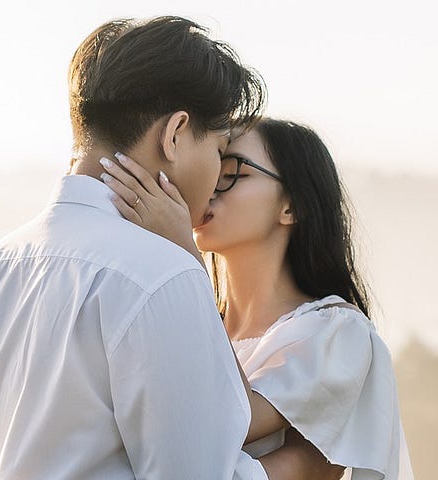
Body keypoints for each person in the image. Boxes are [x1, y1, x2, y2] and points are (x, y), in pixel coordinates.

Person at [0, 16, 343, 480]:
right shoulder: (161, 275)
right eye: (217, 151)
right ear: (175, 134)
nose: (214, 182)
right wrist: (302, 467)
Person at [100, 118, 413, 479]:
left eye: (233, 172)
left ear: (291, 207)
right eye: (213, 166)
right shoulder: (192, 320)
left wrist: (186, 259)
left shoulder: (338, 332)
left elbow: (232, 419)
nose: (212, 187)